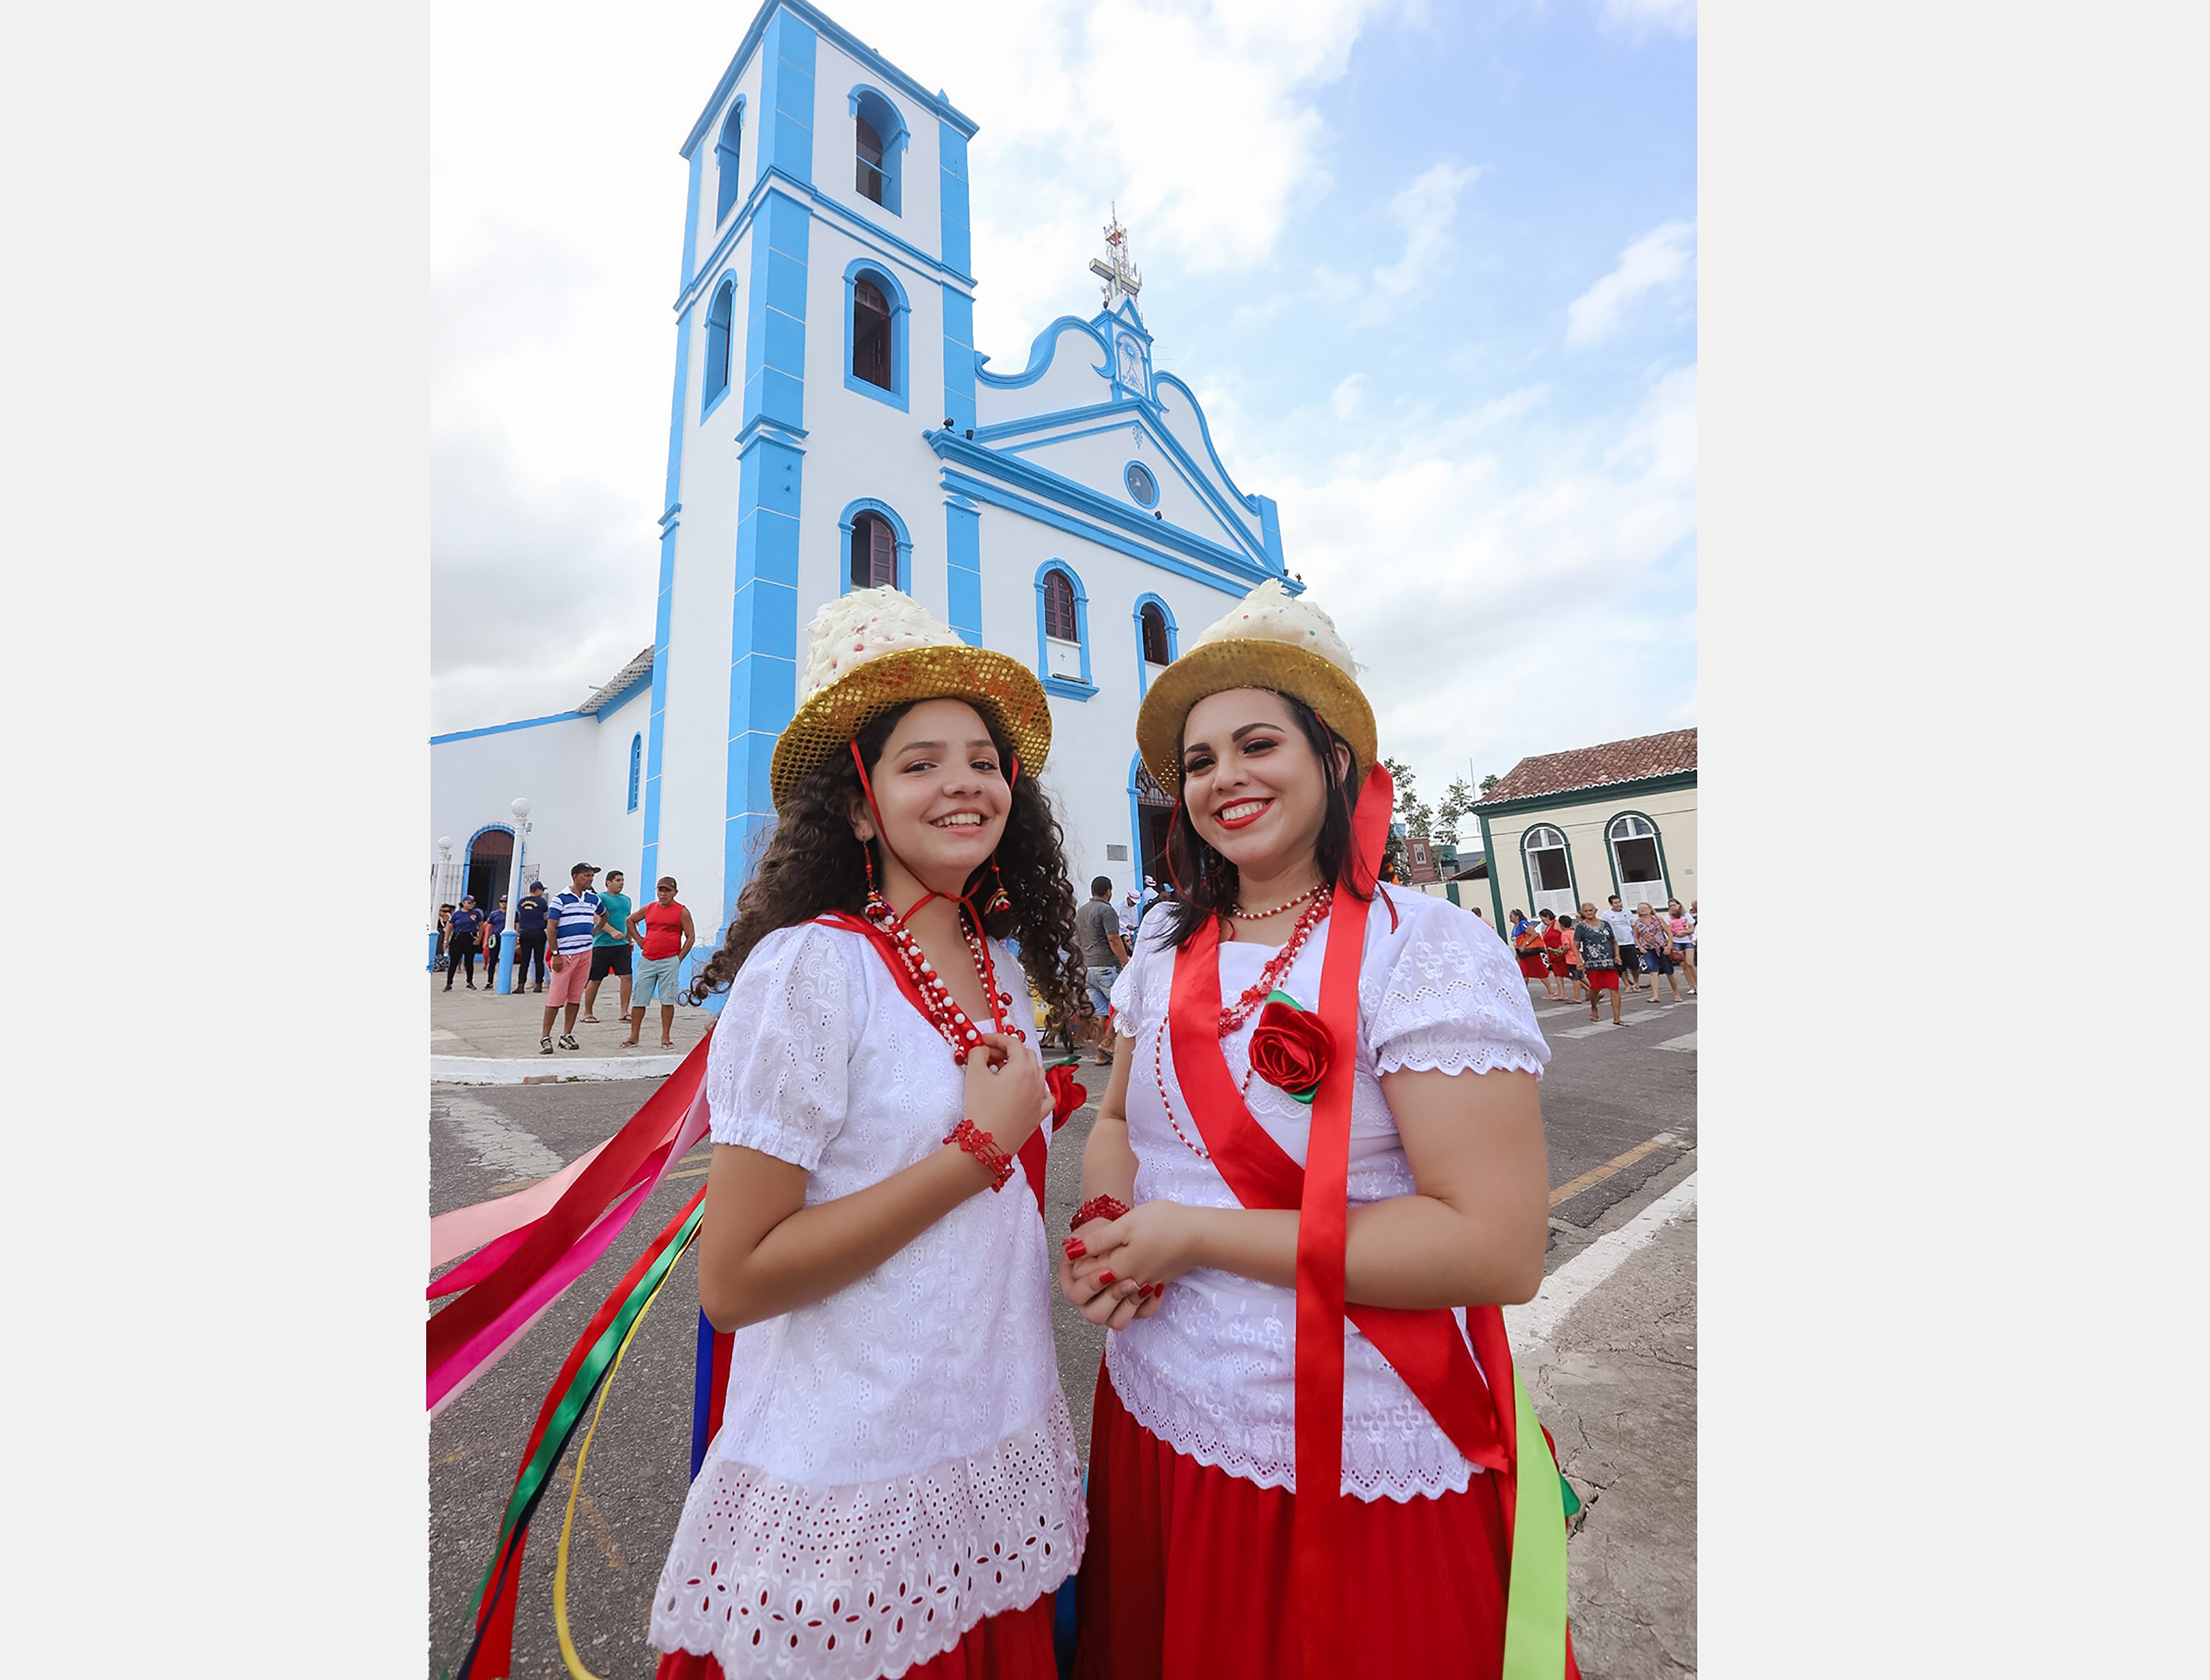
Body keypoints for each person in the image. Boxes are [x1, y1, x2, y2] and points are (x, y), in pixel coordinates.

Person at [1061, 580, 1577, 1678]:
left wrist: (1189, 1236)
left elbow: (1492, 1247)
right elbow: (1115, 1123)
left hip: (1342, 1449)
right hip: (1157, 1409)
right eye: (1197, 761)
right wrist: (1110, 1218)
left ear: (1334, 758)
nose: (1222, 778)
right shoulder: (1160, 951)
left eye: (1256, 743)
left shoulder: (1423, 948)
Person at [649, 586, 1087, 1679]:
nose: (963, 783)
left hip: (990, 1442)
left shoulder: (1001, 969)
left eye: (984, 760)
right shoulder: (809, 967)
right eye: (920, 761)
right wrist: (976, 1153)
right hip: (853, 1492)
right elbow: (737, 1278)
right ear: (857, 806)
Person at [622, 875, 696, 1052]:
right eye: (660, 890)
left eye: (667, 891)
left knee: (667, 1000)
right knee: (639, 999)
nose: (663, 894)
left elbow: (690, 937)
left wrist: (678, 959)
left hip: (669, 960)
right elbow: (630, 920)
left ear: (674, 893)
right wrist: (640, 940)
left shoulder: (681, 911)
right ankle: (634, 1036)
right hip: (648, 959)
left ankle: (666, 1036)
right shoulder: (650, 908)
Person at [537, 864, 599, 1055]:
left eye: (592, 876)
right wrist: (555, 954)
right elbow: (551, 928)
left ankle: (567, 1034)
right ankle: (545, 1037)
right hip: (565, 955)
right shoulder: (560, 899)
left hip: (585, 953)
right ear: (575, 877)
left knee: (575, 997)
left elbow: (604, 915)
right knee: (556, 998)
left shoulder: (593, 899)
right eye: (586, 876)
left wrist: (593, 932)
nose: (590, 879)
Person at [1076, 875, 1131, 1066]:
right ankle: (1108, 1044)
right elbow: (1114, 939)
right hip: (1106, 966)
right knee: (1122, 1004)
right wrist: (1126, 962)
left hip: (1088, 967)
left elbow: (1079, 940)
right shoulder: (1107, 911)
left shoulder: (1081, 912)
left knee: (1099, 1013)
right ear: (1109, 891)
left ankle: (1100, 1056)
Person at [581, 870, 635, 1026]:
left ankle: (624, 1011)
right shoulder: (601, 898)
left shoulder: (626, 900)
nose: (621, 883)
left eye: (622, 880)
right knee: (596, 979)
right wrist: (612, 932)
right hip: (602, 945)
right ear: (608, 883)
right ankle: (588, 1012)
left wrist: (629, 940)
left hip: (622, 946)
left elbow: (628, 921)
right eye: (618, 880)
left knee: (627, 977)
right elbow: (597, 917)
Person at [1574, 906, 1625, 1026]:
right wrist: (1579, 961)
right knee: (1595, 989)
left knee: (1614, 988)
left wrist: (1617, 956)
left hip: (1609, 962)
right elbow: (1575, 945)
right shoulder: (1581, 927)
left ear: (1596, 911)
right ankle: (1594, 1007)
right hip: (1593, 963)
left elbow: (1614, 941)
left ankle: (1617, 1018)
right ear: (1582, 913)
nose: (1589, 913)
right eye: (1586, 911)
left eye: (1591, 910)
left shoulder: (1605, 924)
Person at [1632, 901, 1684, 1004]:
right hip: (1648, 949)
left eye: (1645, 907)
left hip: (1662, 947)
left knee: (1669, 971)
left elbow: (1669, 933)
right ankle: (1655, 995)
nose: (1642, 909)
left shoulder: (1658, 920)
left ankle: (1676, 993)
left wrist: (1669, 946)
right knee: (1653, 971)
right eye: (1640, 908)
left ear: (1650, 909)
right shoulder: (1638, 923)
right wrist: (1641, 947)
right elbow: (1636, 937)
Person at [510, 882, 550, 994]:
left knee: (525, 961)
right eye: (542, 890)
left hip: (525, 932)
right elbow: (545, 916)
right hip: (538, 932)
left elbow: (521, 914)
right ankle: (539, 985)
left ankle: (521, 985)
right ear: (537, 890)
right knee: (539, 960)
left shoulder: (521, 902)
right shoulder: (542, 902)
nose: (542, 893)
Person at [1600, 895, 1643, 993]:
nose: (1618, 905)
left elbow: (1634, 926)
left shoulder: (1627, 912)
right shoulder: (1606, 915)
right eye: (1615, 903)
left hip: (1629, 942)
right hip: (1617, 944)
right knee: (1621, 966)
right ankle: (1627, 985)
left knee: (1634, 965)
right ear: (1611, 904)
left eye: (1619, 902)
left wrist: (1637, 939)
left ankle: (1636, 982)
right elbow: (1605, 928)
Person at [445, 897, 484, 991]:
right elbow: (450, 927)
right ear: (463, 903)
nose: (471, 904)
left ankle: (469, 982)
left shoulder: (476, 913)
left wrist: (479, 939)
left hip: (470, 938)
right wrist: (446, 940)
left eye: (473, 903)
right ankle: (449, 983)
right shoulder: (457, 914)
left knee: (469, 962)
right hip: (457, 937)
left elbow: (481, 926)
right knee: (453, 962)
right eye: (469, 902)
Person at [1543, 909, 1576, 1002]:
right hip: (1553, 953)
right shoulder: (1547, 927)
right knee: (1557, 974)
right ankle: (1562, 994)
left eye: (1543, 918)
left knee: (1568, 973)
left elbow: (1565, 933)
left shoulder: (1557, 924)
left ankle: (1589, 989)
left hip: (1560, 952)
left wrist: (1563, 947)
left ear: (1548, 916)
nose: (1542, 920)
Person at [1666, 898, 1696, 994]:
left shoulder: (1687, 916)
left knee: (1690, 963)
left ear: (1679, 905)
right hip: (1676, 942)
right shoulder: (1668, 917)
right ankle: (1692, 987)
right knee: (1684, 965)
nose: (1673, 908)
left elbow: (1692, 929)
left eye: (1674, 905)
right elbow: (1668, 931)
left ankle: (1698, 984)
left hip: (1687, 941)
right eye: (1670, 906)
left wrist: (1685, 932)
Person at [433, 902, 453, 972]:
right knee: (439, 950)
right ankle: (440, 965)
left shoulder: (448, 916)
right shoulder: (440, 918)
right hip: (441, 933)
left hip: (444, 934)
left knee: (442, 950)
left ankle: (441, 965)